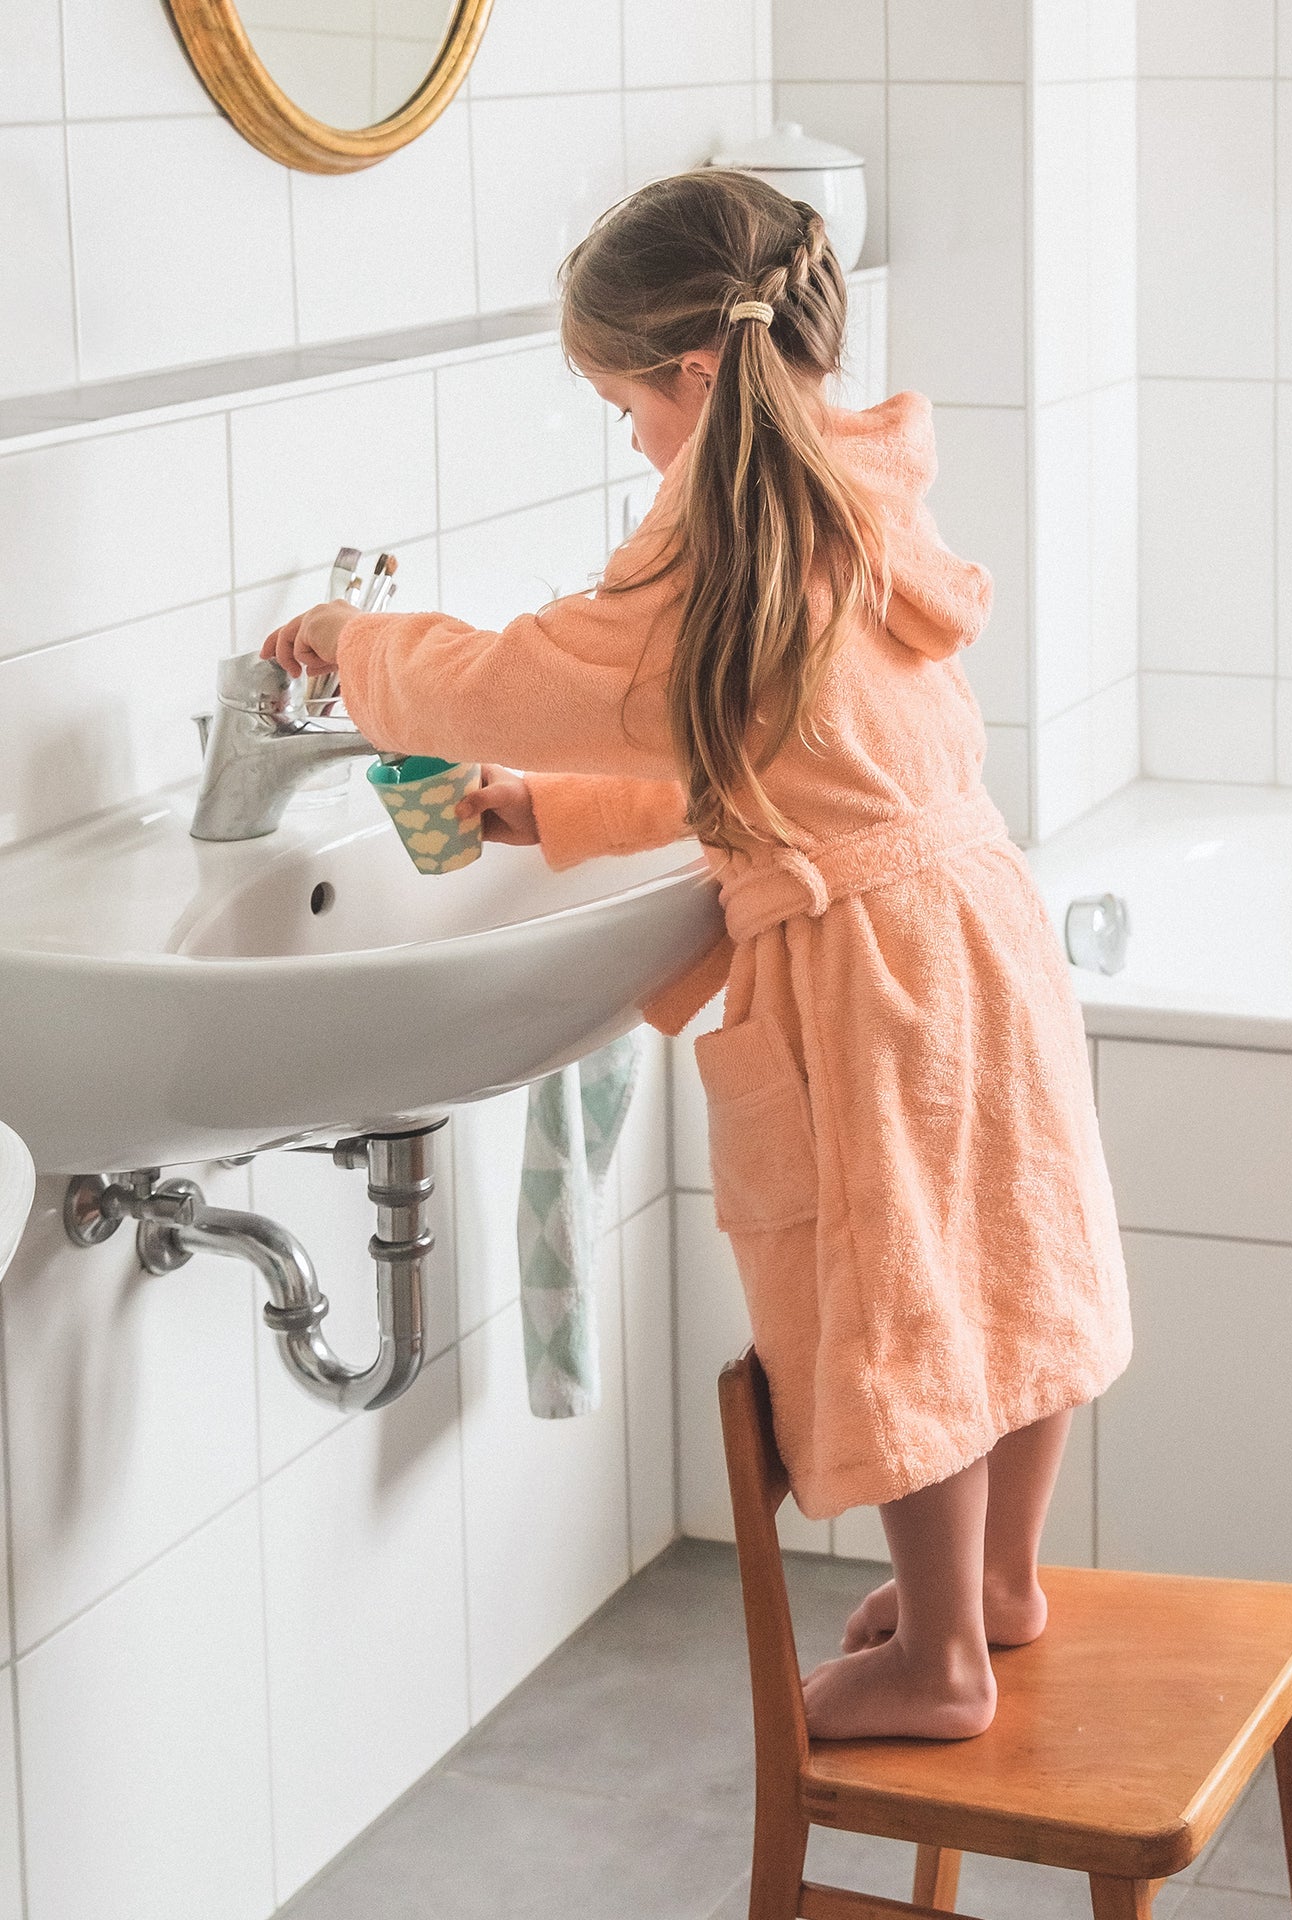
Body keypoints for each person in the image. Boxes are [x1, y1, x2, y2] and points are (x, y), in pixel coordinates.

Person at [263, 169, 1131, 1742]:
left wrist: (348, 641)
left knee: (899, 1294)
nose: (634, 443)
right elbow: (783, 740)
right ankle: (1001, 1583)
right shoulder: (851, 502)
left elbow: (497, 681)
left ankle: (941, 1655)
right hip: (977, 922)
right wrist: (569, 812)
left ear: (697, 373)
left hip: (866, 978)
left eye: (623, 407)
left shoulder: (705, 554)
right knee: (1010, 1253)